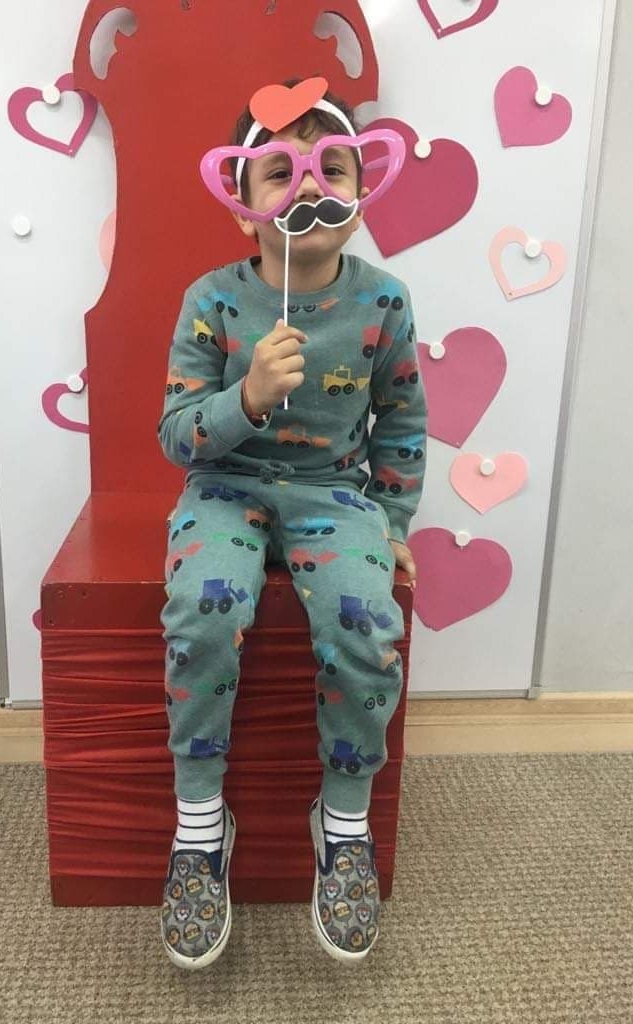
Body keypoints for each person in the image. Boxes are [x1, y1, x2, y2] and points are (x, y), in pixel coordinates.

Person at [157, 80, 427, 970]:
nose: (309, 185)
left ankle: (342, 821)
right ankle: (201, 824)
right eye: (281, 171)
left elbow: (403, 419)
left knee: (367, 625)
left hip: (333, 494)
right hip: (223, 487)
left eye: (331, 167)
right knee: (203, 611)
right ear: (242, 202)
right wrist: (246, 398)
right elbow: (175, 435)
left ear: (361, 189)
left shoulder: (384, 303)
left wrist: (392, 521)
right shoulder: (212, 299)